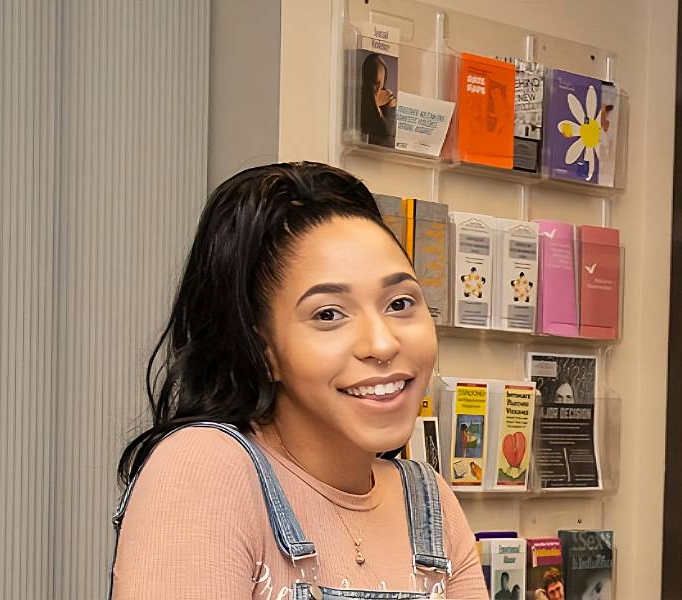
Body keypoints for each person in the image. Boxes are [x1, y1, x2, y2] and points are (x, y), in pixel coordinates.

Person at [111, 162, 485, 599]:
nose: (382, 344)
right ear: (262, 350)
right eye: (329, 314)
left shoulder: (428, 500)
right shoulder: (206, 467)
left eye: (400, 303)